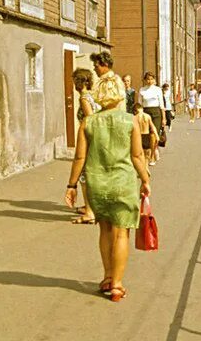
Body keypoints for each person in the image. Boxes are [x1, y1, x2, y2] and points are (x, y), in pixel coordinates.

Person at [64, 74, 151, 303]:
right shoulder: (130, 120)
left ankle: (106, 277)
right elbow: (136, 154)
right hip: (123, 183)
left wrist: (72, 185)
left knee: (104, 231)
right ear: (120, 95)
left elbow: (79, 157)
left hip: (98, 184)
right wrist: (145, 179)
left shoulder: (88, 122)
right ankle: (117, 285)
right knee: (121, 232)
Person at [71, 68, 100, 225]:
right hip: (93, 138)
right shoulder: (91, 96)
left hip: (87, 139)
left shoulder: (83, 98)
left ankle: (90, 212)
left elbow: (89, 119)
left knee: (84, 175)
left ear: (78, 82)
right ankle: (90, 206)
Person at [139, 72, 165, 158]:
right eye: (148, 79)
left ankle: (152, 155)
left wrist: (164, 118)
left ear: (154, 80)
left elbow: (161, 105)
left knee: (154, 133)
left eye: (151, 79)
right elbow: (140, 104)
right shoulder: (142, 90)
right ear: (145, 80)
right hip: (146, 112)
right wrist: (140, 115)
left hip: (156, 112)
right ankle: (153, 149)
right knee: (147, 134)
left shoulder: (157, 89)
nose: (149, 81)